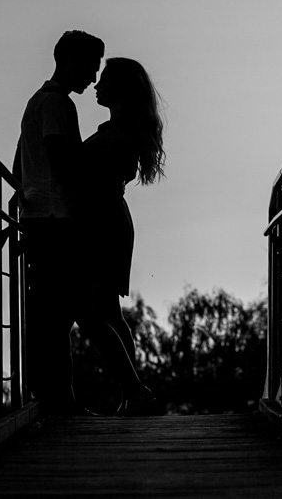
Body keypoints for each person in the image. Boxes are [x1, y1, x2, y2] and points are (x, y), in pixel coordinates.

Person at [13, 30, 104, 414]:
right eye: (91, 67)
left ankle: (54, 394)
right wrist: (83, 208)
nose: (94, 78)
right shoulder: (56, 104)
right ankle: (58, 397)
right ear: (70, 61)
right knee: (59, 310)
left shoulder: (38, 102)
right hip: (55, 218)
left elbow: (19, 163)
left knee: (53, 310)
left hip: (39, 216)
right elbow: (61, 159)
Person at [75, 57, 165, 414]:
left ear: (121, 89)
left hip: (102, 223)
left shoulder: (119, 134)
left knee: (91, 312)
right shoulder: (118, 129)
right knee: (108, 313)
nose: (97, 84)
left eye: (106, 79)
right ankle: (133, 394)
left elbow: (85, 174)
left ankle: (134, 389)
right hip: (106, 220)